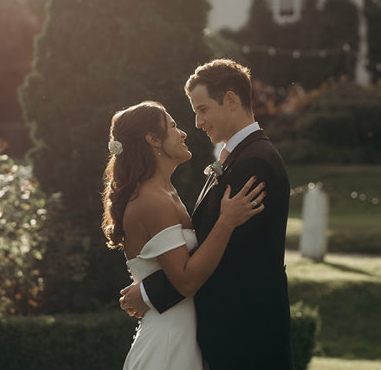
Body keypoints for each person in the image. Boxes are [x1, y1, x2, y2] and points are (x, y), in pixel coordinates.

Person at [119, 60, 293, 369]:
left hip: (247, 337)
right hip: (228, 335)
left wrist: (149, 292)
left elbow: (221, 252)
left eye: (202, 110)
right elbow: (207, 242)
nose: (197, 124)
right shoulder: (239, 158)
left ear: (229, 100)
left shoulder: (255, 163)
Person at [102, 101, 266, 370]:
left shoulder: (167, 194)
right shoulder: (151, 201)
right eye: (173, 126)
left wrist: (145, 292)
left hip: (184, 337)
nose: (183, 133)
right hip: (168, 344)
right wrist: (227, 221)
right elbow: (187, 281)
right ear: (153, 140)